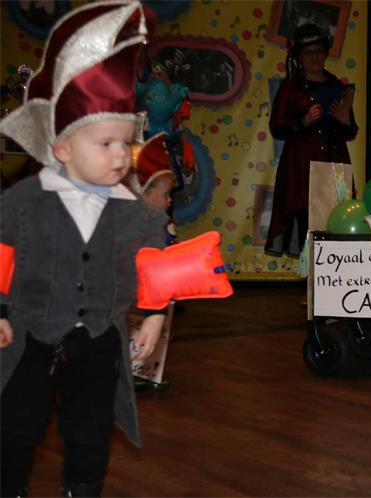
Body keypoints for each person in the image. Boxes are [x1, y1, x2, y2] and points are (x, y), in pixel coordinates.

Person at [0, 3, 167, 496]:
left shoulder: (136, 212)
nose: (121, 156)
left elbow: (153, 266)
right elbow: (2, 256)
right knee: (15, 426)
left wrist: (154, 315)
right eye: (105, 144)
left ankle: (82, 489)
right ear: (63, 148)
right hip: (29, 335)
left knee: (90, 430)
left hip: (98, 340)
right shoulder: (24, 202)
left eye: (126, 144)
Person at [265, 23, 358, 258]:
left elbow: (351, 132)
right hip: (302, 168)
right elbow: (276, 126)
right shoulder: (291, 88)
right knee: (306, 222)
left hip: (334, 165)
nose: (314, 57)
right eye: (308, 53)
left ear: (326, 54)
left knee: (337, 219)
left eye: (319, 51)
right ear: (299, 57)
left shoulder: (338, 87)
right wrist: (303, 121)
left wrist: (345, 120)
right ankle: (310, 277)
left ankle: (332, 275)